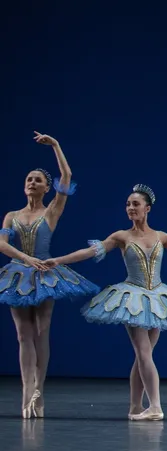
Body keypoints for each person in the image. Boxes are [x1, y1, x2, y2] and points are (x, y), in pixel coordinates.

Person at [40, 184, 167, 420]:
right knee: (143, 352)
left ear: (147, 208)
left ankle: (135, 407)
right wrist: (59, 260)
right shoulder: (121, 236)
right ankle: (155, 406)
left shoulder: (161, 236)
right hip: (133, 298)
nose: (130, 208)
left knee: (143, 356)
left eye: (135, 204)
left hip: (158, 299)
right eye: (128, 204)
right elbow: (88, 252)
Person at [0, 132, 99, 419]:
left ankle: (38, 392)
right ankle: (25, 390)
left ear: (46, 188)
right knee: (23, 334)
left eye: (38, 180)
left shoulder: (51, 211)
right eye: (29, 179)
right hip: (18, 275)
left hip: (45, 273)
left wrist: (56, 145)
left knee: (42, 331)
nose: (32, 183)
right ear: (24, 187)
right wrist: (25, 258)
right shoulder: (11, 216)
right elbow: (2, 243)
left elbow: (66, 177)